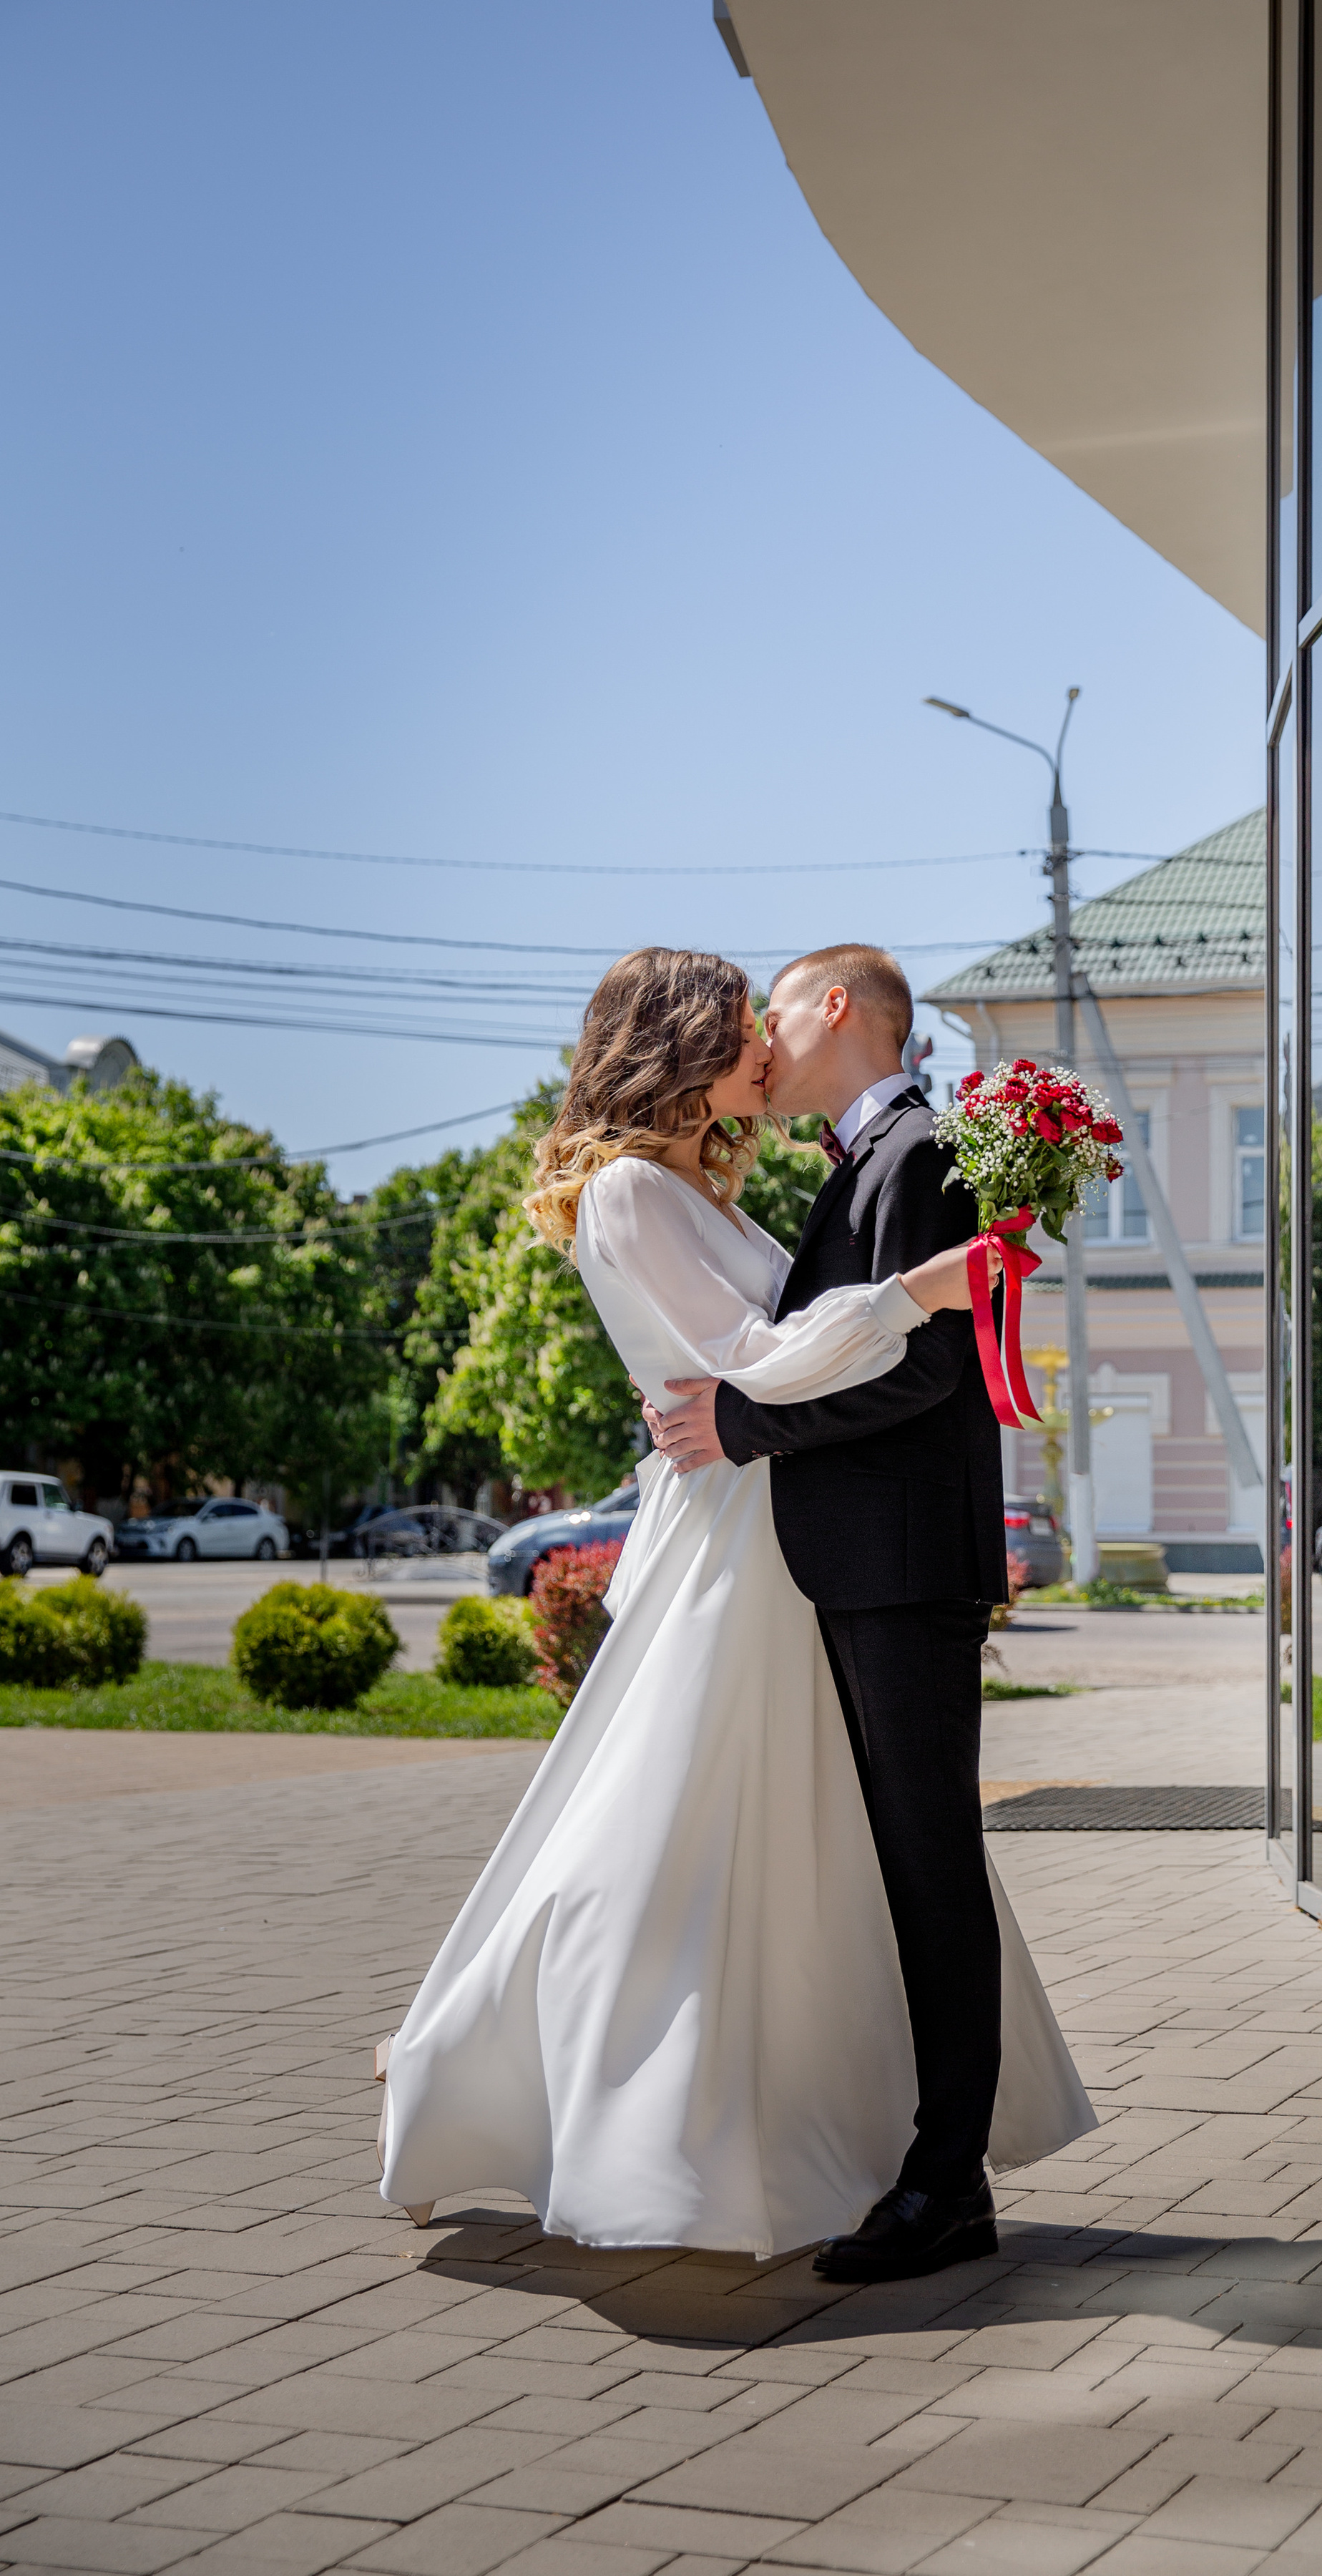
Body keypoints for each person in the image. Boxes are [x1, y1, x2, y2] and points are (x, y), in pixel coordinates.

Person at [377, 946, 1092, 2275]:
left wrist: (840, 1349)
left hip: (801, 1541)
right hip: (744, 1548)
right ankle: (544, 2089)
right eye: (740, 1028)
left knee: (802, 1856)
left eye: (772, 1020)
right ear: (683, 1044)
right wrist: (916, 1293)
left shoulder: (786, 1175)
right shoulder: (640, 1191)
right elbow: (767, 1354)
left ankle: (883, 2154)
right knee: (666, 1845)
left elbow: (792, 1370)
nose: (763, 1048)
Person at [648, 942, 1030, 2282]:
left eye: (774, 1018)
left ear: (836, 1010)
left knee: (932, 1867)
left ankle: (949, 2182)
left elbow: (933, 1365)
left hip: (904, 1567)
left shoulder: (918, 1151)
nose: (762, 1045)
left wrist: (742, 1422)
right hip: (866, 1563)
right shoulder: (871, 1159)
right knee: (907, 1869)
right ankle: (926, 2159)